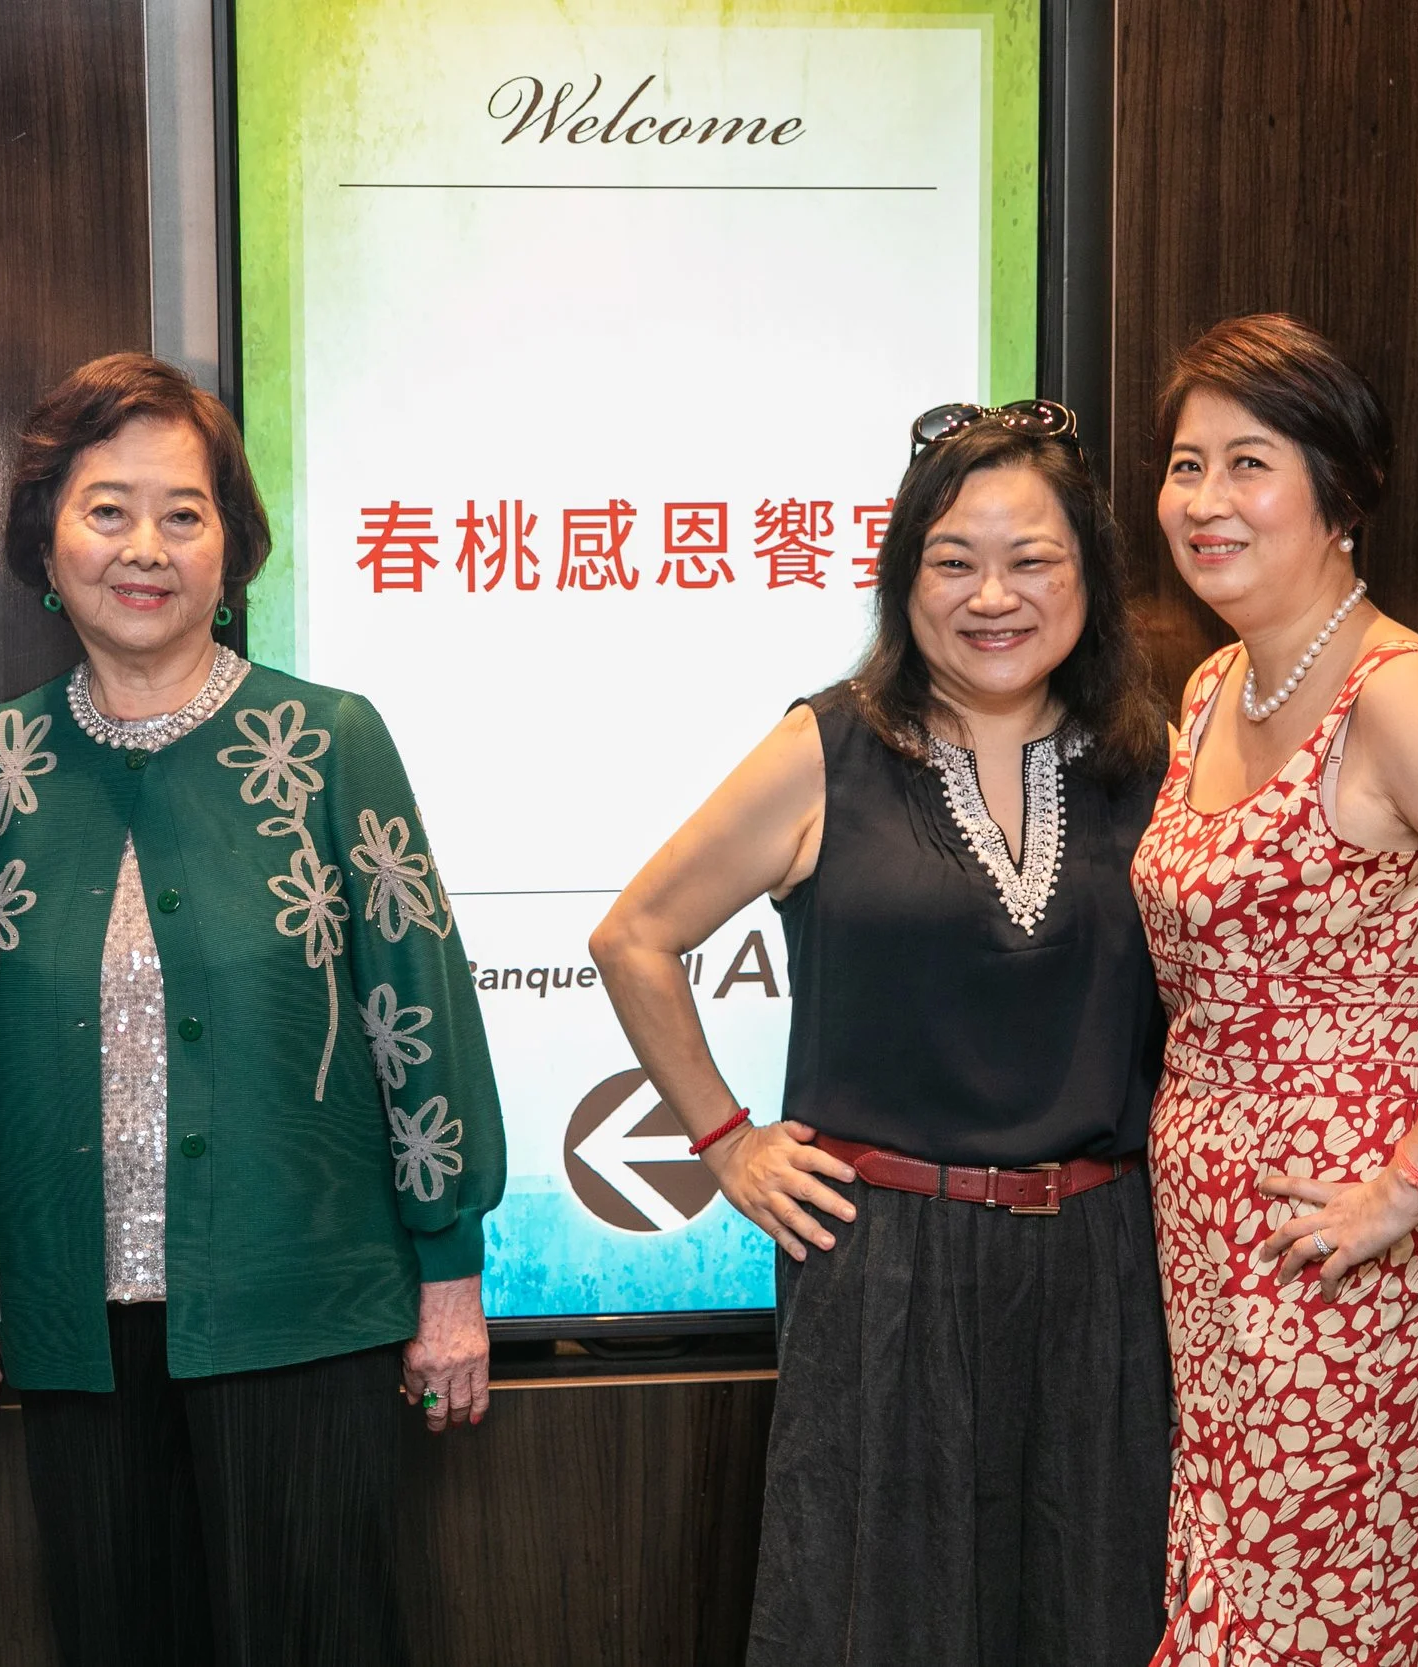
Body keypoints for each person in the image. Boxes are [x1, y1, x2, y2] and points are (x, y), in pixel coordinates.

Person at [0, 351, 504, 1666]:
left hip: (307, 1304)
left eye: (184, 512)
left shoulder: (328, 738)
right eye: (107, 510)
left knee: (319, 1637)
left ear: (232, 547)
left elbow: (418, 1002)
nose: (145, 547)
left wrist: (450, 1274)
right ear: (45, 540)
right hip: (72, 1316)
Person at [592, 401, 1174, 1666]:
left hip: (1104, 1260)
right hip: (885, 1263)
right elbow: (633, 936)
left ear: (1088, 575)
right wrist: (727, 1142)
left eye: (1032, 560)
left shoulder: (1153, 758)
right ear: (903, 575)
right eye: (952, 560)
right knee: (876, 1620)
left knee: (1096, 1611)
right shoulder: (828, 745)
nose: (991, 596)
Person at [1133, 313, 1418, 1667]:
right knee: (1227, 1596)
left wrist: (1406, 1183)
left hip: (1339, 1238)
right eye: (1186, 465)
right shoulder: (1214, 683)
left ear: (1338, 493)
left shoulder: (1400, 692)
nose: (1205, 501)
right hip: (1209, 1229)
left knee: (1308, 1621)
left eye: (1249, 464)